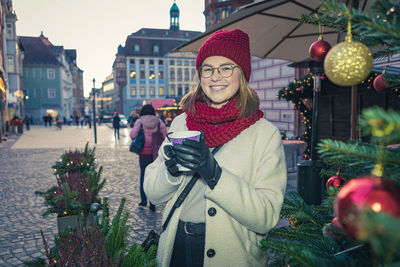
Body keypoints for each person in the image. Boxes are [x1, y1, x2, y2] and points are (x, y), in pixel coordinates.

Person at [143, 29, 287, 267]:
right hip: (175, 245)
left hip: (231, 253)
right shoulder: (182, 122)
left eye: (226, 67)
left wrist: (215, 174)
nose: (215, 76)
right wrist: (170, 172)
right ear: (200, 75)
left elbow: (267, 216)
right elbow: (153, 193)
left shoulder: (264, 134)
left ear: (242, 74)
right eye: (208, 69)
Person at [130, 104, 167, 212]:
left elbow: (132, 135)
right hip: (156, 154)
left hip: (143, 154)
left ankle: (143, 200)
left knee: (143, 176)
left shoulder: (140, 121)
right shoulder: (159, 121)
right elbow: (165, 135)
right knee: (154, 177)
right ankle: (152, 202)